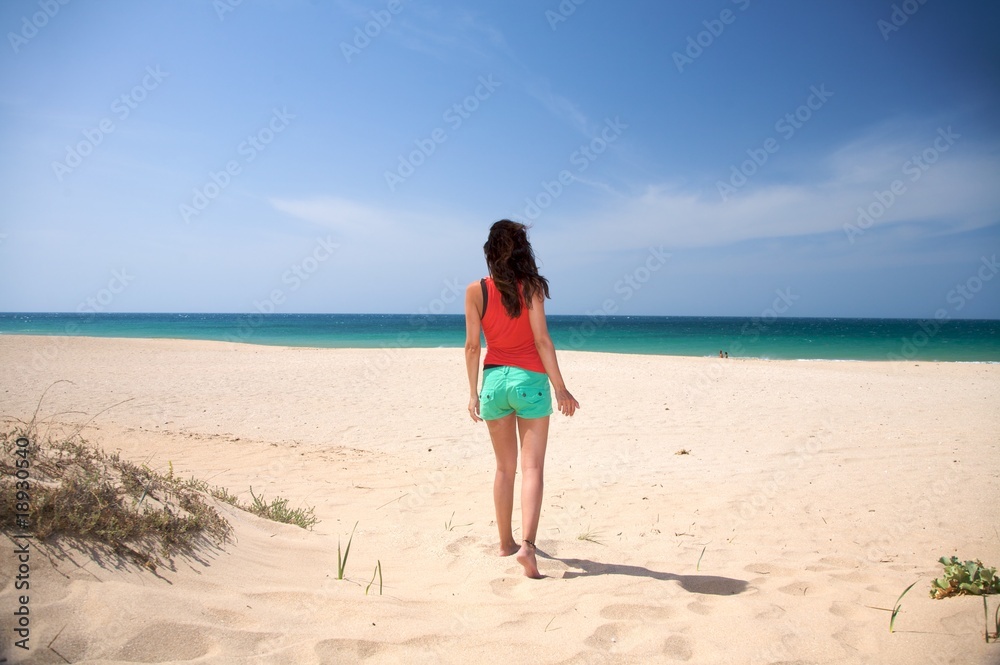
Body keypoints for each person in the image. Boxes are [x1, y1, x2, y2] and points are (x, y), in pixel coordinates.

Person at [464, 220, 580, 579]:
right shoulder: (530, 287)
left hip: (494, 382)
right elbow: (542, 340)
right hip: (530, 380)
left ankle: (505, 543)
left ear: (490, 252)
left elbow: (472, 347)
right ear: (521, 251)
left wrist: (473, 394)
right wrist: (561, 387)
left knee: (503, 469)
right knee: (532, 468)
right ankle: (527, 548)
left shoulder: (475, 290)